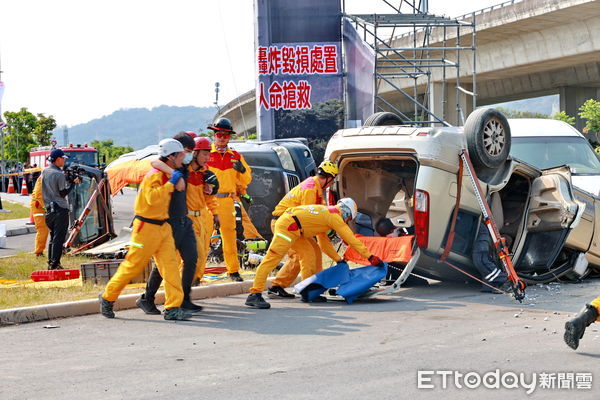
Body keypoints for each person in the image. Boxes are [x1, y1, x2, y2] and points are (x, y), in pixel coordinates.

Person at [99, 138, 191, 321]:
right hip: (146, 229)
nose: (183, 158)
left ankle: (172, 307)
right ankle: (107, 298)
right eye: (180, 155)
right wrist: (171, 183)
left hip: (162, 227)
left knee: (171, 266)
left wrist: (173, 178)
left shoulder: (166, 173)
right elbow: (153, 199)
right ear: (171, 157)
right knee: (133, 266)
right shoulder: (155, 176)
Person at [245, 198, 385, 309]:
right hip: (288, 227)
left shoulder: (326, 214)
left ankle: (307, 292)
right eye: (348, 219)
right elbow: (352, 240)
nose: (347, 222)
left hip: (294, 228)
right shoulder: (334, 218)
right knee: (272, 259)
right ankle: (254, 294)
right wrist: (370, 257)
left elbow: (324, 244)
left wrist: (338, 260)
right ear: (347, 213)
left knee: (309, 255)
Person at [135, 132, 207, 314]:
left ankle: (183, 298)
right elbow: (154, 162)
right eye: (186, 151)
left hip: (184, 220)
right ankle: (150, 299)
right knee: (166, 264)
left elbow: (201, 168)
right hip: (168, 221)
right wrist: (173, 173)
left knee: (191, 259)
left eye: (191, 151)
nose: (188, 155)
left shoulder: (186, 165)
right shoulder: (170, 165)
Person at [267, 160, 339, 299]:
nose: (331, 184)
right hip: (285, 225)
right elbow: (309, 219)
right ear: (329, 177)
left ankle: (278, 287)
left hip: (292, 225)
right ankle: (308, 291)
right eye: (332, 181)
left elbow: (318, 222)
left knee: (313, 252)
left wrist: (336, 257)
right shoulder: (310, 190)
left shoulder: (316, 188)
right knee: (307, 254)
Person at [206, 118, 252, 281]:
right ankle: (194, 275)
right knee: (202, 238)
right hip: (207, 201)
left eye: (226, 135)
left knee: (229, 238)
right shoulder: (206, 154)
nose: (222, 137)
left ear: (230, 137)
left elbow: (246, 179)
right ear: (214, 135)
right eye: (219, 134)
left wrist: (242, 170)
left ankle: (233, 271)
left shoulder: (236, 157)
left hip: (227, 201)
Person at [41, 149, 80, 270]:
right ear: (58, 159)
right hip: (60, 208)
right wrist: (73, 183)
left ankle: (50, 263)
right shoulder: (59, 174)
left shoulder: (45, 171)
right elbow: (62, 193)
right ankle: (55, 264)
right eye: (63, 158)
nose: (64, 161)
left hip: (48, 209)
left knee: (53, 237)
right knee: (59, 238)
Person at [472, 222, 510, 293]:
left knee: (481, 260)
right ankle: (492, 284)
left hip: (479, 230)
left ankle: (505, 281)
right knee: (482, 259)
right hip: (474, 231)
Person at [30, 176, 49, 257]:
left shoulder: (52, 175)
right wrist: (46, 207)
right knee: (43, 229)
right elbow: (39, 195)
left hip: (45, 205)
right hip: (39, 206)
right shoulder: (43, 177)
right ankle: (39, 252)